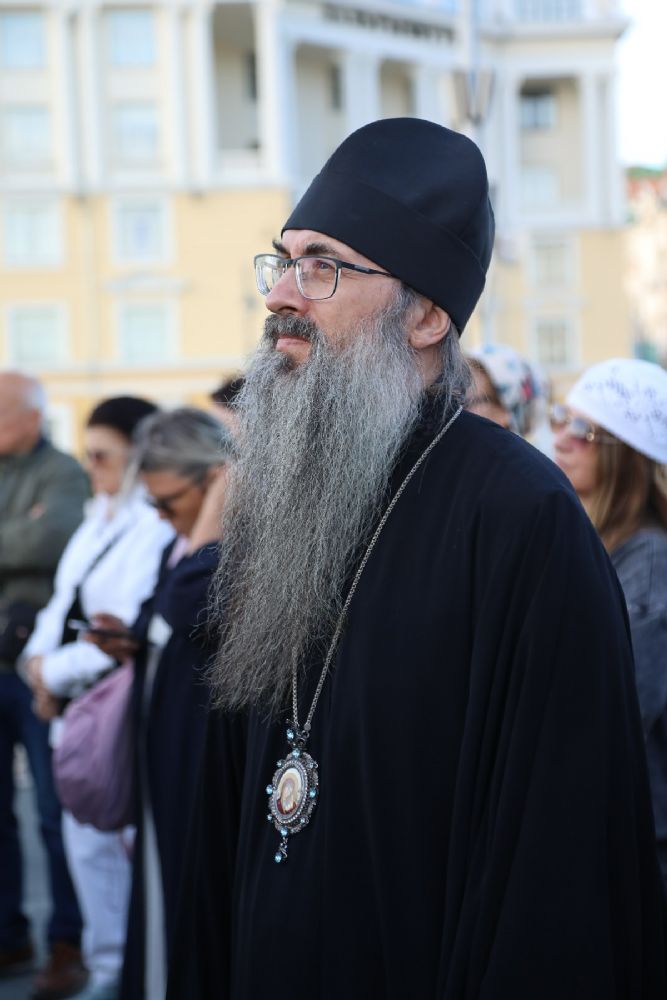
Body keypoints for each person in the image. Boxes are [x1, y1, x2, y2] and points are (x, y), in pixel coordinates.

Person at [168, 119, 667, 999]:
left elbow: (555, 850)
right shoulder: (282, 503)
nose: (281, 293)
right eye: (281, 261)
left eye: (322, 266)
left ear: (428, 316)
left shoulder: (520, 516)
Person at [23, 397, 174, 1000]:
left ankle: (125, 972)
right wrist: (38, 668)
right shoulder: (97, 520)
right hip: (72, 705)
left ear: (138, 455)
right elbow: (61, 606)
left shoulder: (151, 526)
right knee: (84, 844)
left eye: (102, 455)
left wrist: (51, 673)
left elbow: (124, 634)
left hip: (112, 707)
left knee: (121, 844)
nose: (90, 467)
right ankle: (106, 962)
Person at [83, 407, 236, 1000]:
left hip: (198, 769)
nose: (164, 519)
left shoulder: (226, 547)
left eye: (169, 503)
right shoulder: (189, 544)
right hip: (170, 760)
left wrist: (213, 518)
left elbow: (193, 603)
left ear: (214, 479)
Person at [552, 357, 667, 887]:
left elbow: (620, 714)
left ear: (628, 457)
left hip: (641, 844)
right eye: (561, 418)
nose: (562, 437)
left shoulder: (649, 565)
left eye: (585, 430)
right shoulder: (605, 544)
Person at [0, 371, 89, 998]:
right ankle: (9, 938)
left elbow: (49, 538)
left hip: (33, 668)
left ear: (32, 417)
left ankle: (68, 944)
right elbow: (24, 541)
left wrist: (27, 535)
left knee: (55, 816)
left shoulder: (63, 472)